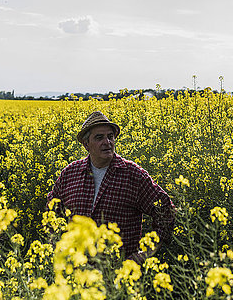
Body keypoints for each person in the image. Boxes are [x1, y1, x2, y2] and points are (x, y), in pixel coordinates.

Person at [47, 111, 176, 264]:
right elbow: (52, 212)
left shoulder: (132, 174)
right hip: (76, 273)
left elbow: (165, 211)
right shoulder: (70, 173)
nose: (107, 142)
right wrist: (57, 247)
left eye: (110, 136)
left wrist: (144, 254)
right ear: (86, 144)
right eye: (99, 137)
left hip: (118, 274)